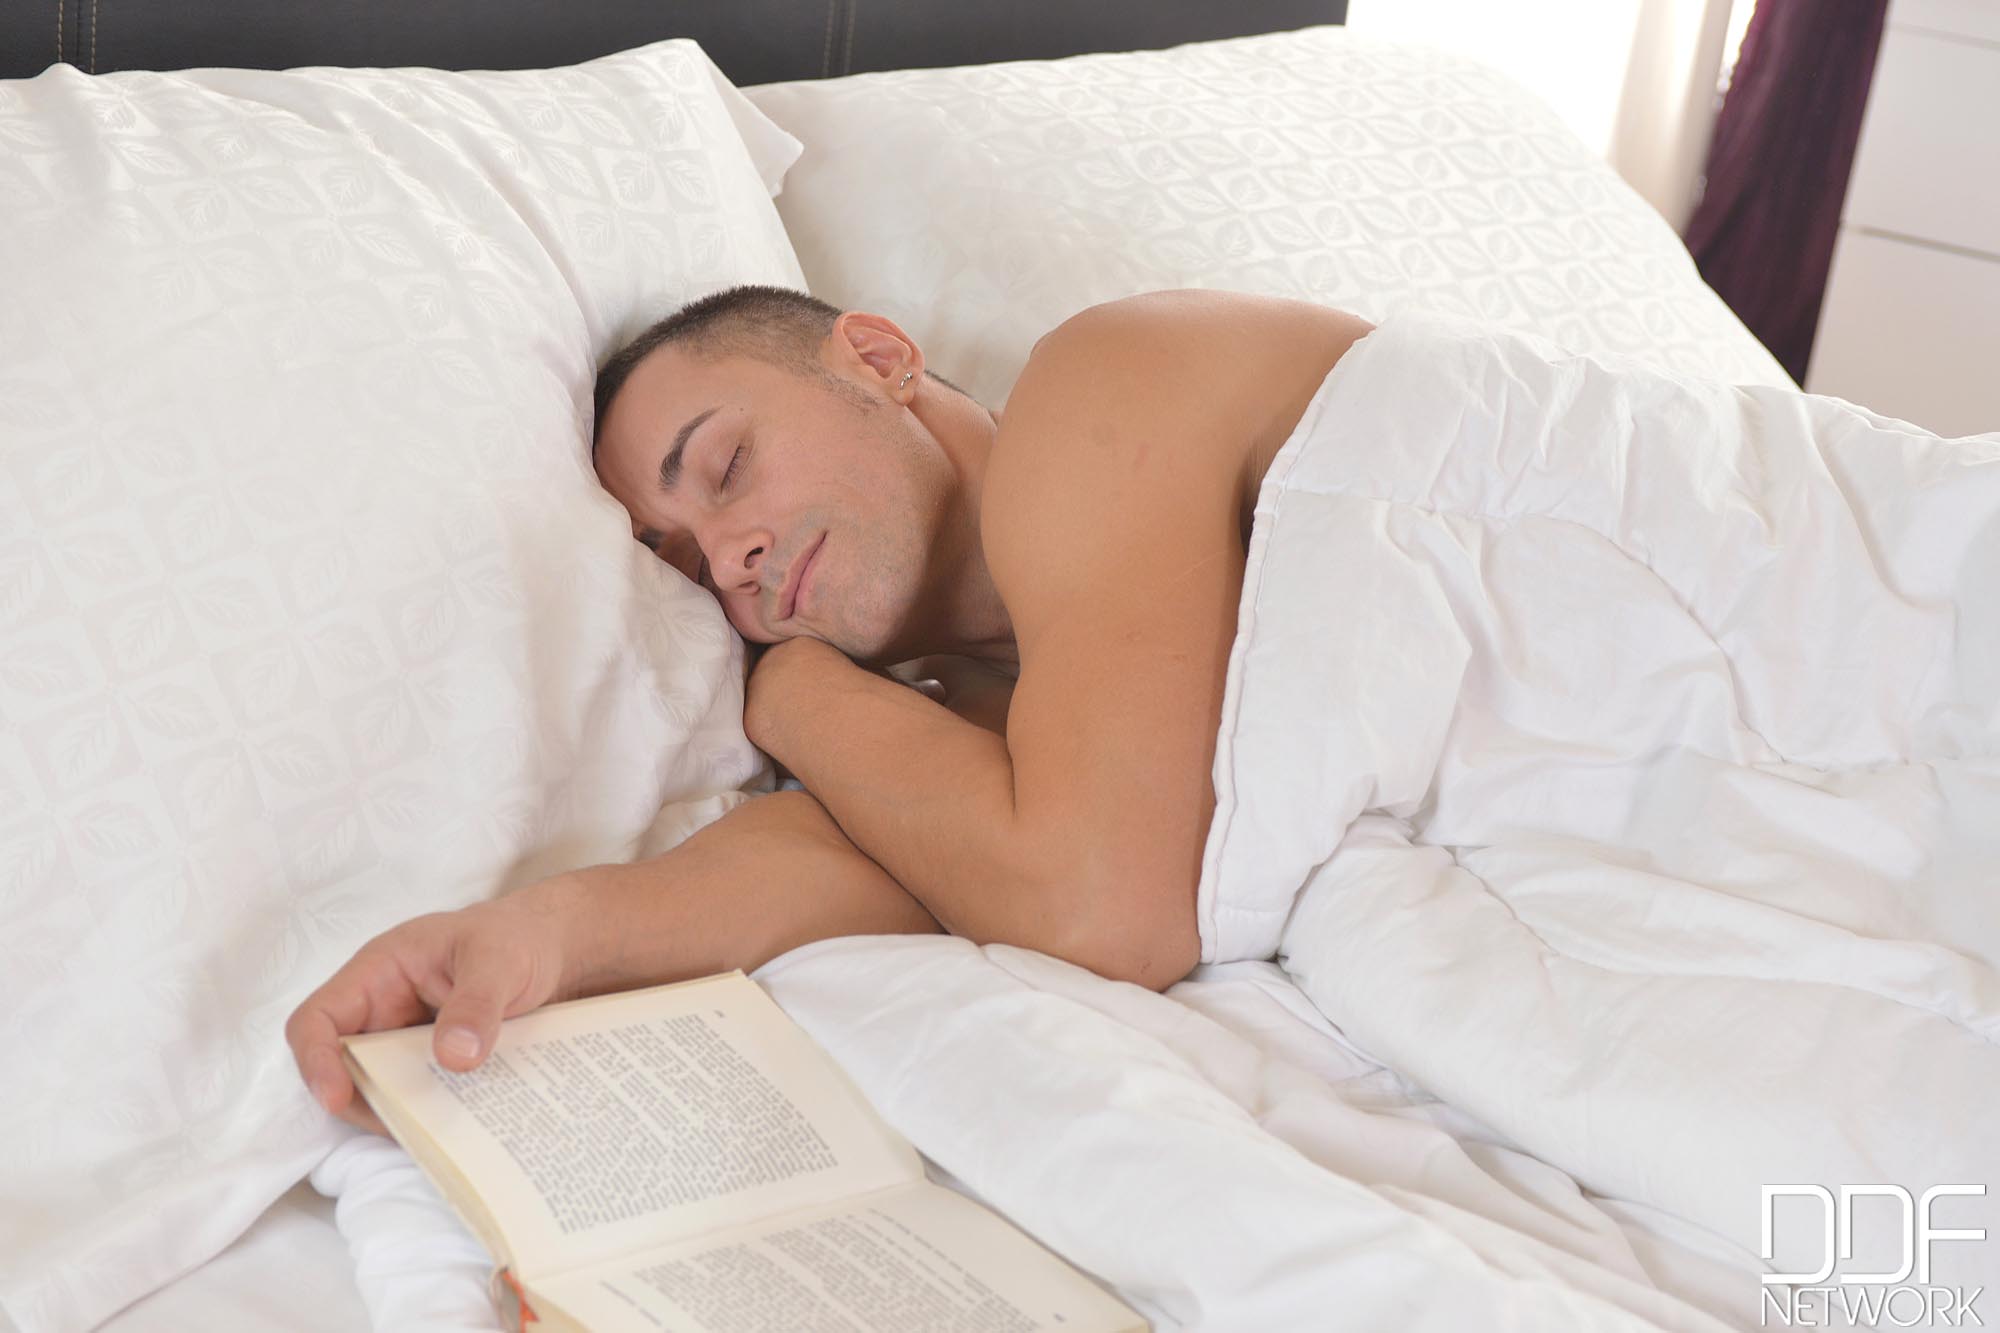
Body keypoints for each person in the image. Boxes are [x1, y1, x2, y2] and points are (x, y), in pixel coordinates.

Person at [288, 284, 1375, 1135]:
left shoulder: (1107, 377)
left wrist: (793, 693)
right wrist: (533, 937)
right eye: (687, 565)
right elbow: (858, 864)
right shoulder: (979, 724)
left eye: (727, 464)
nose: (729, 557)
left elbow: (1096, 911)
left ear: (881, 358)